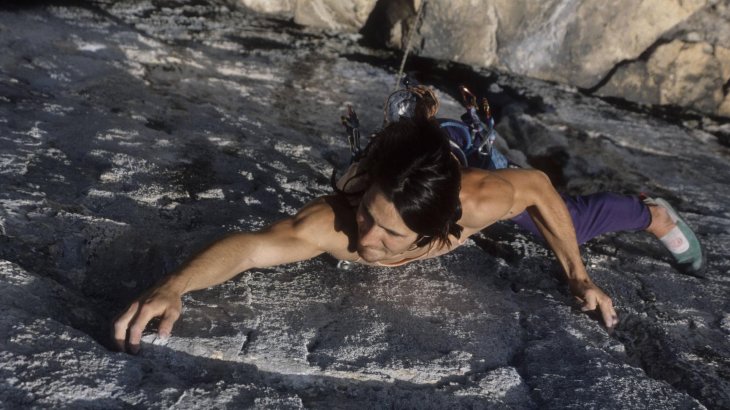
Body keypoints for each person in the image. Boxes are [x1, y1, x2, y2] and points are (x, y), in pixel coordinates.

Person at [113, 92, 703, 354]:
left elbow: (540, 187)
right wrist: (175, 286)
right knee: (374, 160)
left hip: (459, 161)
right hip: (396, 162)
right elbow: (251, 247)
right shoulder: (338, 223)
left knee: (563, 219)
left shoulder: (478, 201)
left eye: (391, 235)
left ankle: (652, 214)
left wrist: (578, 275)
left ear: (439, 232)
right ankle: (414, 118)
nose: (366, 242)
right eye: (370, 219)